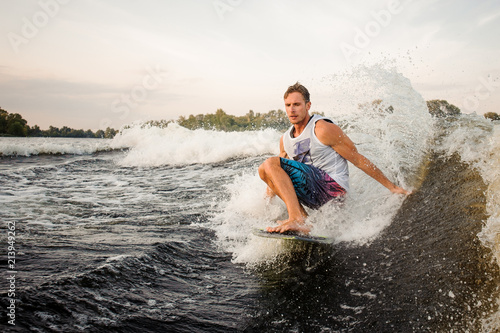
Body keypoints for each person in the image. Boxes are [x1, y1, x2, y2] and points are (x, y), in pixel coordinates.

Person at [258, 82, 410, 234]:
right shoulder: (285, 139)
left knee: (270, 162)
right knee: (263, 169)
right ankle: (304, 222)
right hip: (315, 195)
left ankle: (297, 219)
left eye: (297, 104)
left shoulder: (322, 128)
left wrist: (392, 187)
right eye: (288, 105)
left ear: (308, 105)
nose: (292, 109)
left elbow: (357, 158)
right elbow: (274, 175)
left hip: (335, 192)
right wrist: (265, 205)